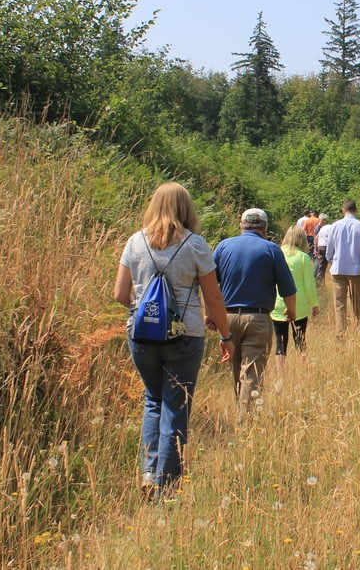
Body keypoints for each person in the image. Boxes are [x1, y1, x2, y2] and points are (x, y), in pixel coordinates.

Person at [113, 182, 233, 498]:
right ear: (187, 209)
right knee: (176, 405)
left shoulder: (134, 242)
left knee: (154, 400)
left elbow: (120, 294)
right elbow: (214, 298)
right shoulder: (195, 245)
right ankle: (167, 488)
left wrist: (149, 312)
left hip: (141, 336)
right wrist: (225, 335)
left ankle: (150, 475)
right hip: (185, 336)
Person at [212, 208, 297, 417]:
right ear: (265, 229)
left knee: (236, 371)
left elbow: (209, 285)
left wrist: (209, 313)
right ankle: (246, 422)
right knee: (252, 372)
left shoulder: (223, 246)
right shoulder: (271, 249)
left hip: (227, 318)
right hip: (258, 319)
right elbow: (288, 288)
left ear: (241, 226)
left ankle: (241, 413)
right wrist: (291, 311)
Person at [325, 199, 360, 339]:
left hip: (338, 270)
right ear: (356, 210)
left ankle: (341, 333)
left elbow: (329, 250)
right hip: (356, 270)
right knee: (357, 301)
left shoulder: (334, 226)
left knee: (339, 303)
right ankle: (358, 330)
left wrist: (332, 262)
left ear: (343, 210)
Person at [271, 226, 319, 368]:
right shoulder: (303, 257)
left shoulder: (277, 254)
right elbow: (309, 284)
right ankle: (303, 370)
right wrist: (314, 304)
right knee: (300, 339)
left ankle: (281, 375)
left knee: (280, 341)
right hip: (299, 305)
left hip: (277, 304)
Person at [313, 213, 332, 290]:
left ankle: (319, 285)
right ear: (323, 220)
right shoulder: (322, 227)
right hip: (326, 247)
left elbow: (316, 239)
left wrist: (317, 249)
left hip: (320, 247)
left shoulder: (321, 228)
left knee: (321, 267)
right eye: (326, 220)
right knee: (332, 265)